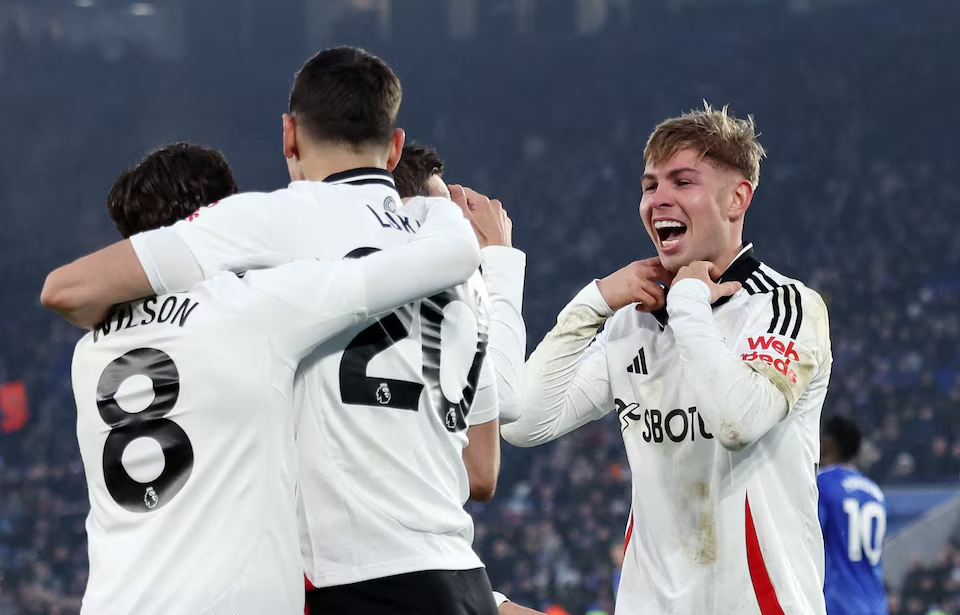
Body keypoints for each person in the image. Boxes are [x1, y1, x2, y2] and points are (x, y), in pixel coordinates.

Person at [42, 47, 523, 615]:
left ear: (289, 136)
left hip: (330, 582)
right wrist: (492, 261)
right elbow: (483, 469)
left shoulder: (102, 347)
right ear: (394, 149)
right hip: (455, 571)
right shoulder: (431, 254)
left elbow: (68, 289)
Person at [502, 104, 833, 614]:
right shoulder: (631, 322)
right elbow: (523, 422)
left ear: (737, 198)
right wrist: (591, 302)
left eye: (682, 181)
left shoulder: (786, 307)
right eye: (650, 185)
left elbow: (737, 420)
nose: (659, 200)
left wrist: (686, 301)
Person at [393, 143, 543, 615]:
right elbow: (510, 402)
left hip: (418, 571)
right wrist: (499, 262)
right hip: (405, 578)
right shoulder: (434, 311)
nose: (461, 228)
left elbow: (479, 473)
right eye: (445, 213)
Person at [818, 416, 889, 615]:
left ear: (829, 443)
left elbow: (809, 538)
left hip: (839, 603)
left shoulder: (823, 483)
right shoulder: (876, 493)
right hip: (876, 604)